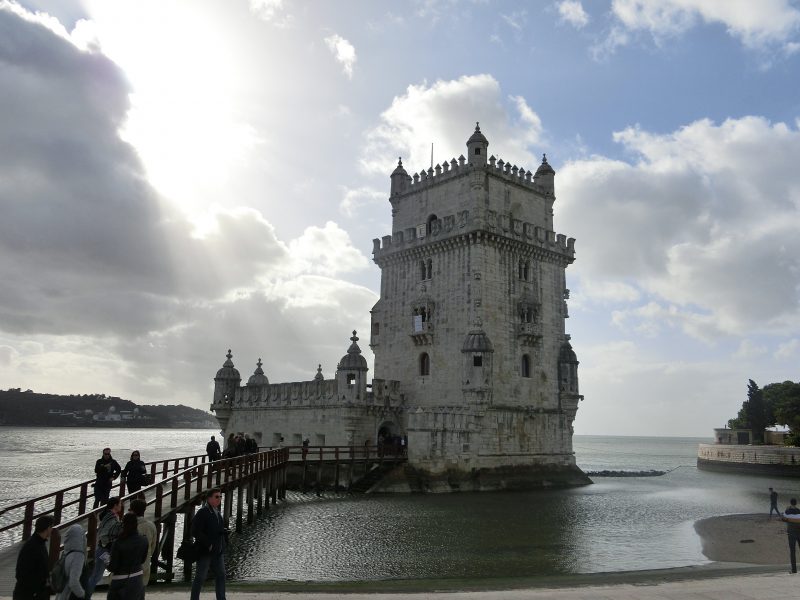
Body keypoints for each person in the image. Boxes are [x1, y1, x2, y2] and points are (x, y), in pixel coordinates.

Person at [190, 488, 227, 600]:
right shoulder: (203, 512)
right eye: (216, 497)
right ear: (209, 498)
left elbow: (216, 528)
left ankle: (221, 598)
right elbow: (195, 531)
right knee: (200, 577)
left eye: (220, 497)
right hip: (206, 551)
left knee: (221, 575)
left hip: (218, 551)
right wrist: (208, 544)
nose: (219, 499)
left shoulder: (216, 512)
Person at [86, 497, 123, 598]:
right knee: (96, 576)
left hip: (105, 550)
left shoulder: (111, 515)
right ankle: (85, 596)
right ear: (115, 505)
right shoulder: (111, 517)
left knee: (98, 575)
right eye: (120, 504)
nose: (121, 506)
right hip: (104, 550)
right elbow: (104, 534)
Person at [106, 513, 148, 600]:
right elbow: (143, 560)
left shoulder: (118, 542)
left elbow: (112, 567)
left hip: (120, 580)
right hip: (137, 578)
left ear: (123, 525)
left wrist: (105, 560)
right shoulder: (144, 540)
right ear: (136, 524)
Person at [13, 515, 54, 600]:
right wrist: (36, 590)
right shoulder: (31, 546)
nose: (52, 530)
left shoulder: (40, 543)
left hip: (38, 592)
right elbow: (21, 573)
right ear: (47, 528)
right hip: (28, 594)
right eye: (51, 527)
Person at [129, 500, 156, 587]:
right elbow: (153, 546)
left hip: (128, 565)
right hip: (144, 562)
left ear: (131, 510)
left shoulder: (125, 525)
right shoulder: (151, 526)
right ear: (144, 510)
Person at [57, 524, 87, 600]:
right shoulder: (78, 556)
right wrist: (82, 595)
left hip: (61, 595)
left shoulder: (65, 553)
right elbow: (73, 582)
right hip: (69, 595)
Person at [784, 497, 800, 574]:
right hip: (799, 532)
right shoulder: (799, 511)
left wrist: (787, 509)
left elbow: (783, 518)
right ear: (796, 503)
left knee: (792, 551)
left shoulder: (788, 511)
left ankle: (794, 570)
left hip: (791, 533)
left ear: (790, 503)